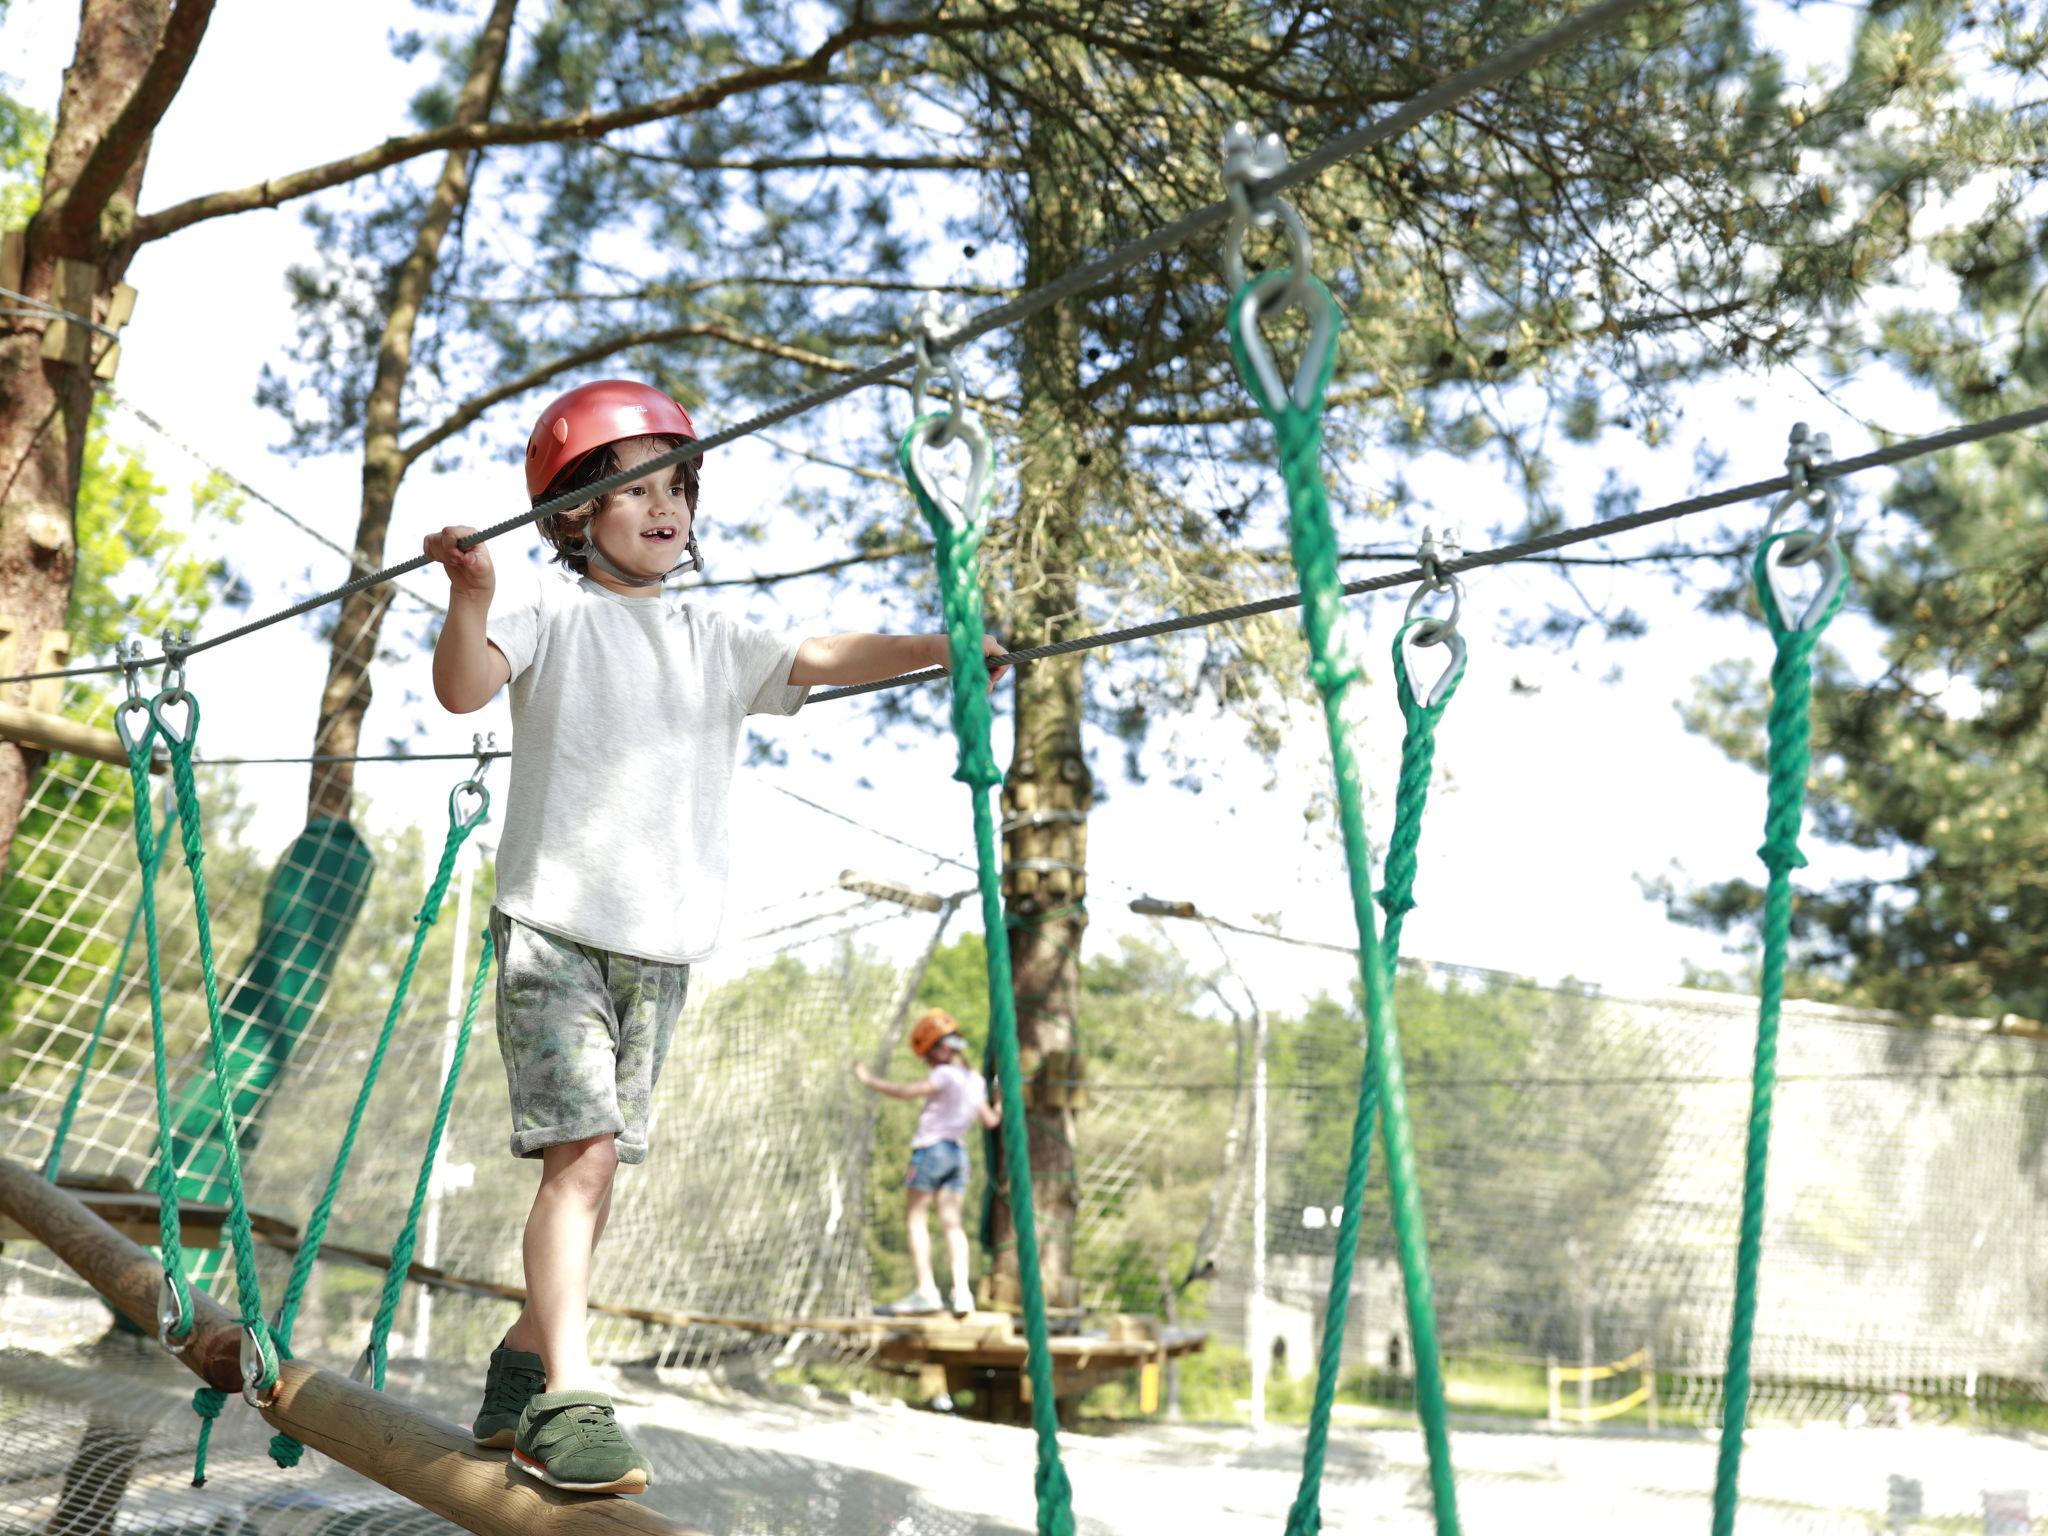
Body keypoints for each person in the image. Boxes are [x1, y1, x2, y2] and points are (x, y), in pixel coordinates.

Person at [422, 380, 1005, 1495]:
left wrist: (949, 647)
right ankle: (569, 1401)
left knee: (597, 1179)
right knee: (581, 1158)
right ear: (573, 512)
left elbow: (824, 656)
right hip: (553, 931)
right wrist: (472, 595)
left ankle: (517, 1364)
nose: (665, 505)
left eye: (678, 485)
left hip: (660, 951)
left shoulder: (711, 632)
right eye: (635, 486)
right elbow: (461, 690)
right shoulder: (548, 608)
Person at [853, 1007, 1001, 1321]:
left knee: (916, 1219)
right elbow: (990, 1120)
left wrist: (869, 1080)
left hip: (932, 1151)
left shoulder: (944, 1075)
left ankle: (926, 1290)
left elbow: (906, 1092)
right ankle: (962, 1291)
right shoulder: (974, 1080)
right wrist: (1001, 1099)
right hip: (958, 1156)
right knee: (952, 1223)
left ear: (939, 1050)